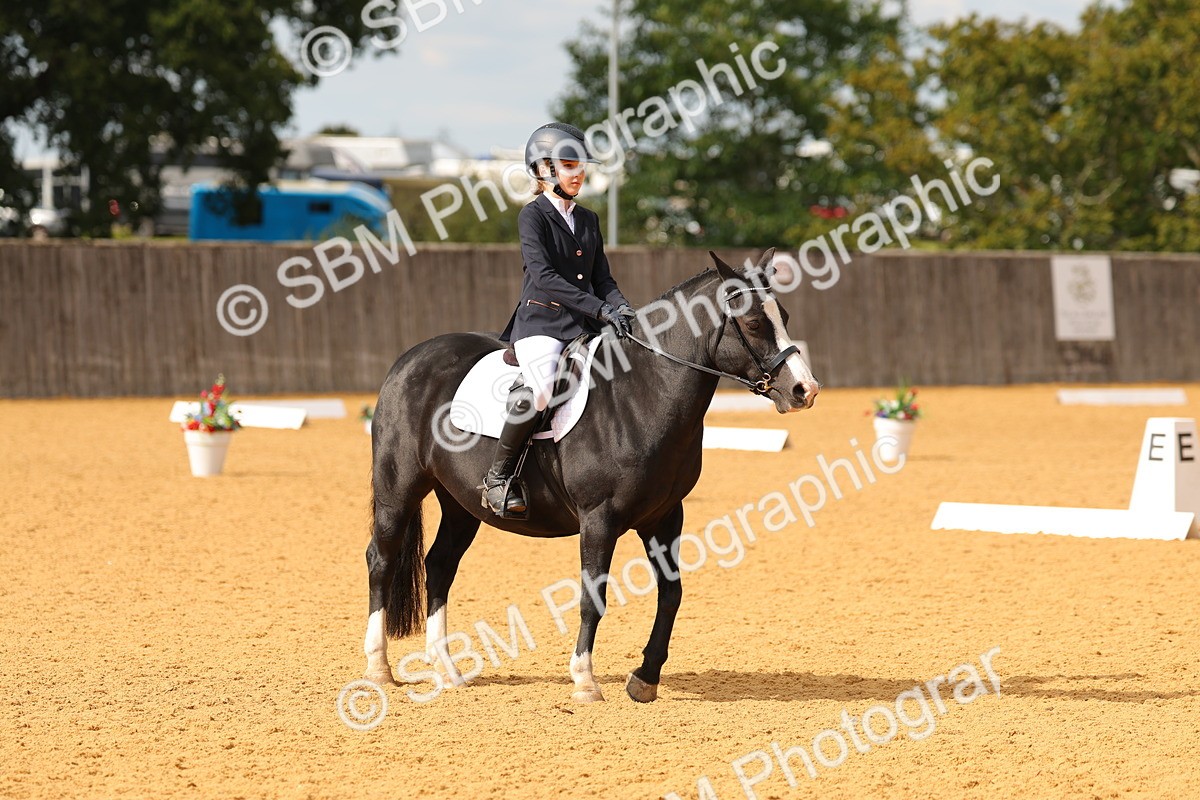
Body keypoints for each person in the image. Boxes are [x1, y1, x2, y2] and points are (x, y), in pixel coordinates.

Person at [482, 122, 635, 517]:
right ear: (544, 170)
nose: (578, 172)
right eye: (569, 165)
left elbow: (603, 278)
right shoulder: (532, 217)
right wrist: (599, 309)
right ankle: (498, 479)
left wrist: (621, 307)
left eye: (581, 164)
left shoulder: (588, 220)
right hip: (543, 322)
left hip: (586, 323)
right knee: (543, 391)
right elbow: (545, 277)